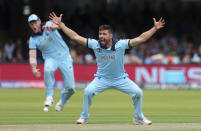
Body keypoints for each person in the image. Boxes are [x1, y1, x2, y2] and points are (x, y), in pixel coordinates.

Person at [44, 12, 165, 125]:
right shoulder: (95, 44)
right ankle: (84, 117)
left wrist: (154, 28)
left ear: (111, 36)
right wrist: (62, 25)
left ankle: (138, 117)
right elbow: (75, 37)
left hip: (121, 79)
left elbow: (141, 39)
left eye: (104, 34)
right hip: (102, 79)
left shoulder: (120, 44)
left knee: (138, 93)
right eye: (100, 34)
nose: (101, 36)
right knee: (87, 92)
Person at [28, 14, 75, 111]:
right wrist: (33, 68)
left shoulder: (48, 25)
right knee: (48, 70)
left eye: (35, 22)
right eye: (31, 24)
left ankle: (62, 101)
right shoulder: (32, 39)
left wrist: (53, 26)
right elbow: (32, 56)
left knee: (71, 88)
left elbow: (59, 26)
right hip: (50, 58)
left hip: (65, 57)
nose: (34, 25)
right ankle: (49, 96)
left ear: (39, 21)